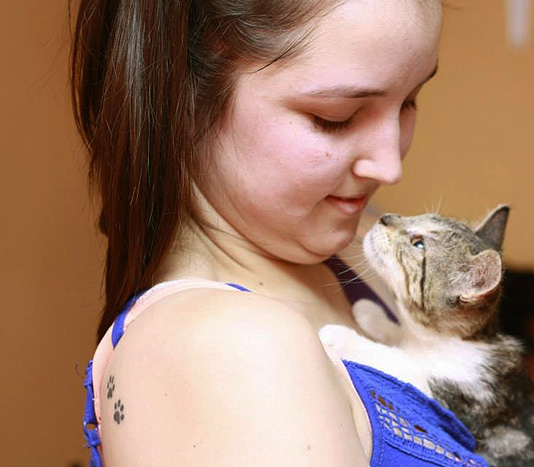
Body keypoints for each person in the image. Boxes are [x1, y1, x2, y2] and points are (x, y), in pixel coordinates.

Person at [74, 0, 488, 465]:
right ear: (187, 94)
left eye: (410, 99)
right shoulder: (231, 348)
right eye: (336, 116)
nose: (390, 167)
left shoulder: (354, 263)